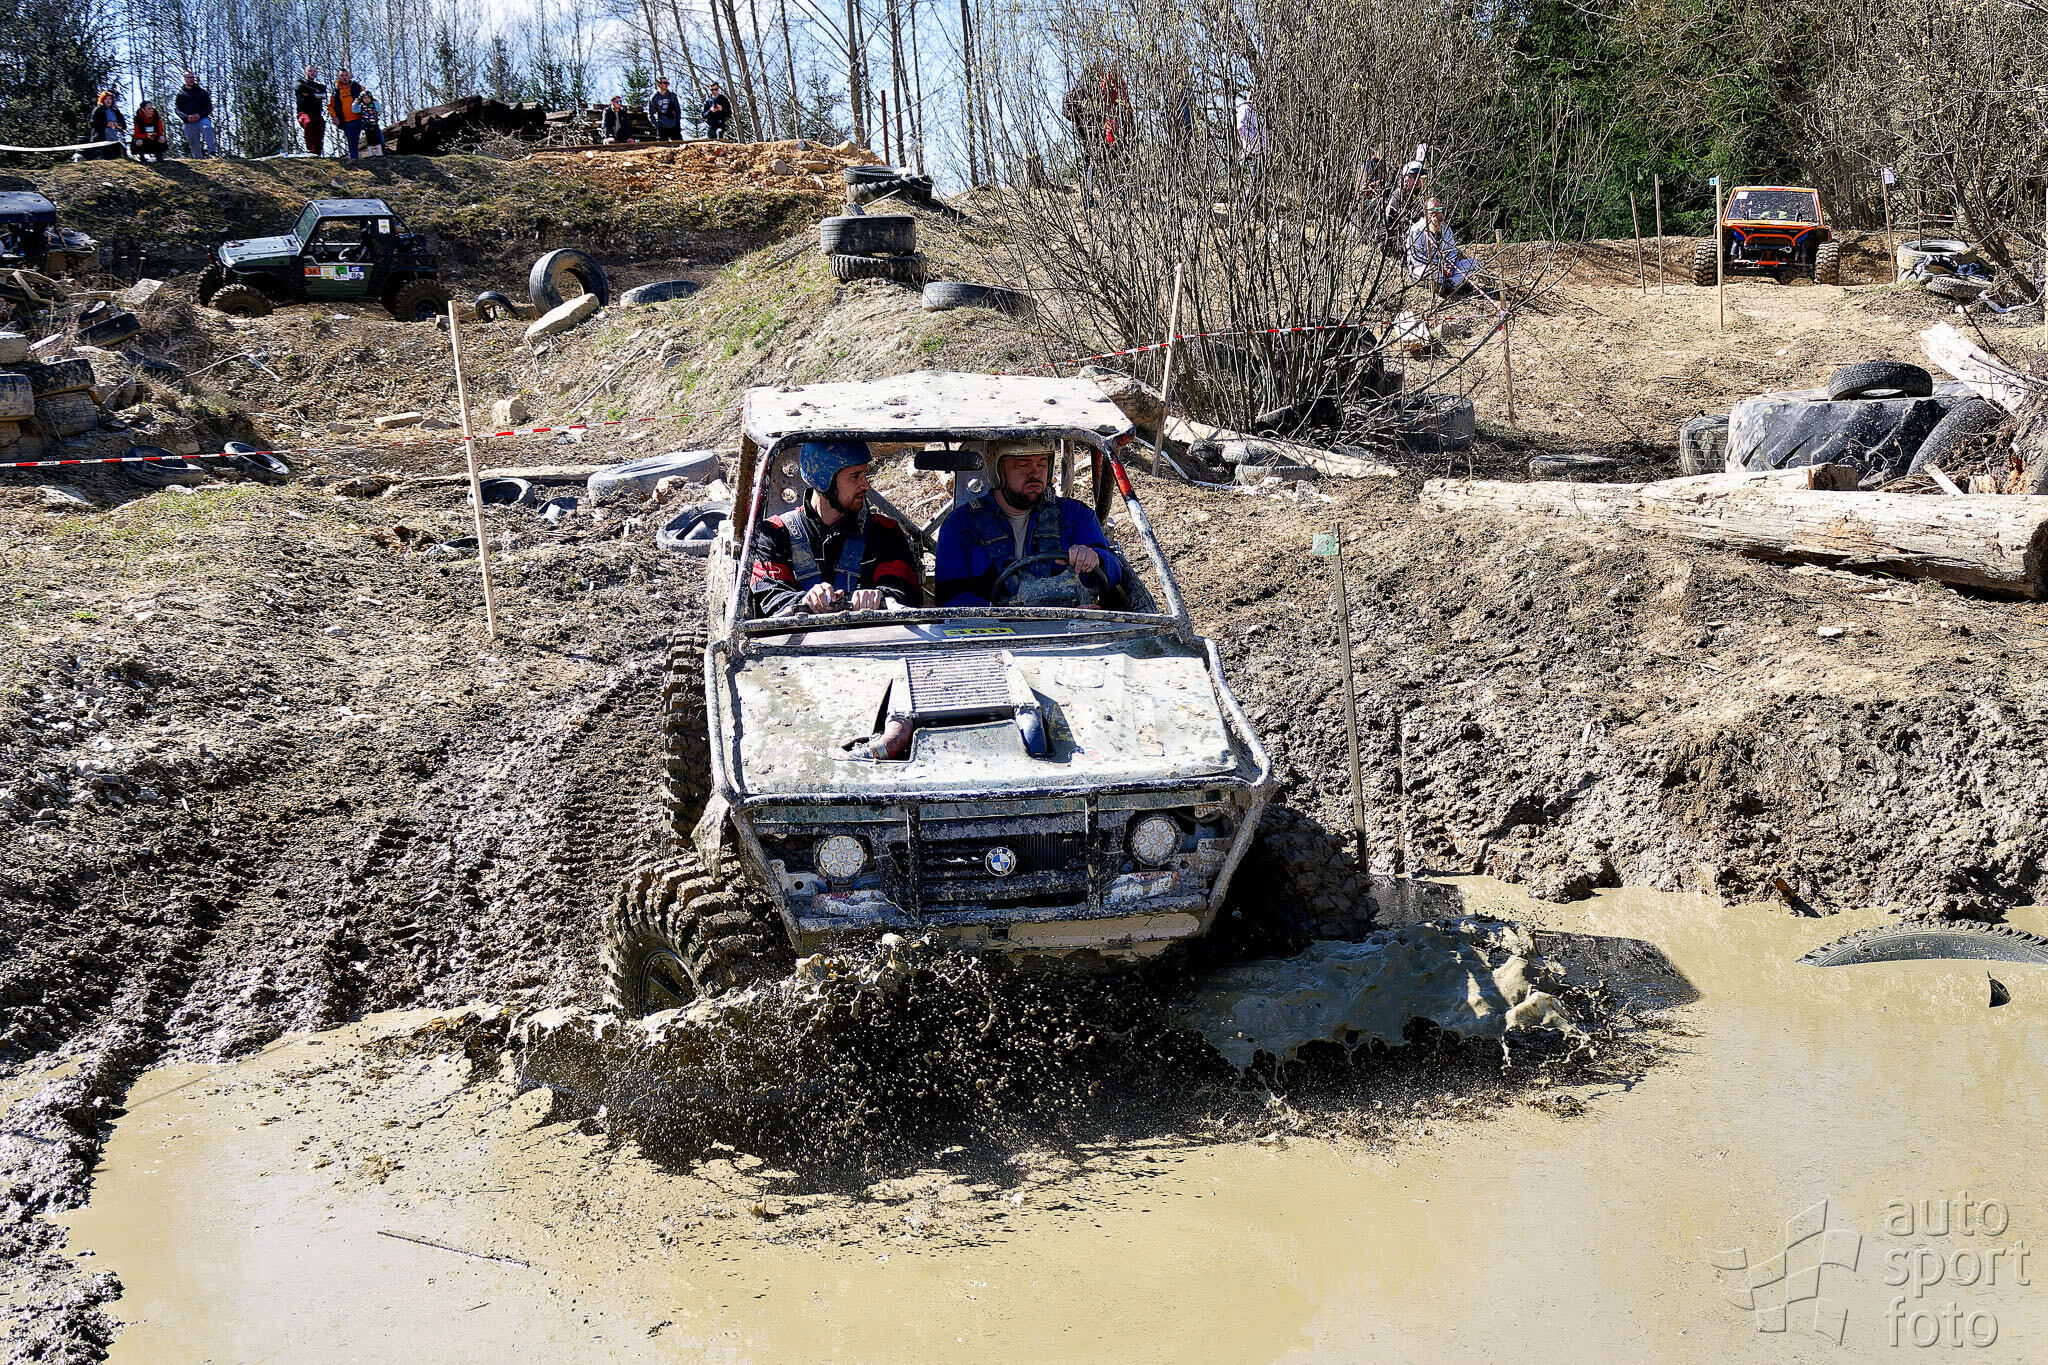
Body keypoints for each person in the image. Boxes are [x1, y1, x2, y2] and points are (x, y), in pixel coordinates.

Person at [934, 441, 1127, 607]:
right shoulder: (960, 525)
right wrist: (1003, 617)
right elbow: (949, 599)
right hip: (994, 633)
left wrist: (1095, 559)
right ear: (996, 470)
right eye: (1023, 464)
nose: (1035, 473)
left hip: (1070, 630)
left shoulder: (1076, 515)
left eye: (1042, 463)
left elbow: (1114, 570)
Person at [748, 441, 923, 618]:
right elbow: (768, 598)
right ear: (824, 479)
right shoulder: (773, 533)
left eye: (865, 474)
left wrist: (879, 596)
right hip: (799, 635)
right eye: (855, 476)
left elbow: (907, 593)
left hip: (868, 635)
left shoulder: (885, 533)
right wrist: (804, 601)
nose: (866, 485)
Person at [1407, 198, 1483, 297]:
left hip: (1446, 268)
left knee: (1472, 264)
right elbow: (1416, 255)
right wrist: (1438, 265)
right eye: (1432, 210)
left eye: (1439, 210)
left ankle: (1450, 285)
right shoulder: (1416, 230)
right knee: (1433, 272)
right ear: (1425, 212)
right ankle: (1448, 284)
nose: (1436, 214)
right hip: (1424, 267)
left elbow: (1452, 250)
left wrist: (1449, 264)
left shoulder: (1446, 229)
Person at [327, 69, 366, 159]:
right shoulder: (336, 92)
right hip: (347, 122)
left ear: (349, 76)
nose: (344, 77)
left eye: (346, 75)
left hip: (361, 118)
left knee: (373, 131)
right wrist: (334, 117)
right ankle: (355, 161)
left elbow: (368, 98)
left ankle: (381, 152)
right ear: (338, 77)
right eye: (342, 75)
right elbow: (331, 106)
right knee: (352, 143)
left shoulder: (358, 87)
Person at [174, 73, 216, 158]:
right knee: (192, 141)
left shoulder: (202, 92)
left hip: (202, 118)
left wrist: (199, 115)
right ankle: (198, 159)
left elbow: (209, 107)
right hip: (188, 121)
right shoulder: (180, 94)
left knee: (207, 128)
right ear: (185, 79)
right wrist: (186, 117)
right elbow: (177, 110)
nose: (191, 79)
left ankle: (212, 152)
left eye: (192, 77)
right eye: (189, 77)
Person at [296, 67, 327, 155]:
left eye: (314, 71)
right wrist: (314, 92)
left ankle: (317, 153)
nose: (312, 73)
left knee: (320, 128)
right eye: (310, 71)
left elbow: (323, 95)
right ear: (305, 72)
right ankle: (309, 149)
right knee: (308, 123)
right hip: (303, 112)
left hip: (317, 113)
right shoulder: (300, 82)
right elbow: (298, 87)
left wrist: (308, 93)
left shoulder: (320, 86)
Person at [87, 93, 125, 160]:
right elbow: (92, 123)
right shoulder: (98, 109)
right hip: (101, 141)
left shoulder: (116, 111)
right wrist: (106, 124)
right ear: (102, 100)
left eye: (110, 98)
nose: (108, 100)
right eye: (106, 99)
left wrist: (118, 125)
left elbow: (123, 125)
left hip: (115, 141)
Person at [356, 88, 383, 156]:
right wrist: (356, 102)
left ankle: (380, 153)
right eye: (364, 98)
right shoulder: (361, 106)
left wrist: (375, 102)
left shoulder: (373, 105)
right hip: (366, 125)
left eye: (368, 97)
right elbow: (354, 110)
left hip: (374, 124)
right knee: (369, 139)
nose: (366, 99)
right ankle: (371, 154)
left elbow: (379, 110)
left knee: (377, 138)